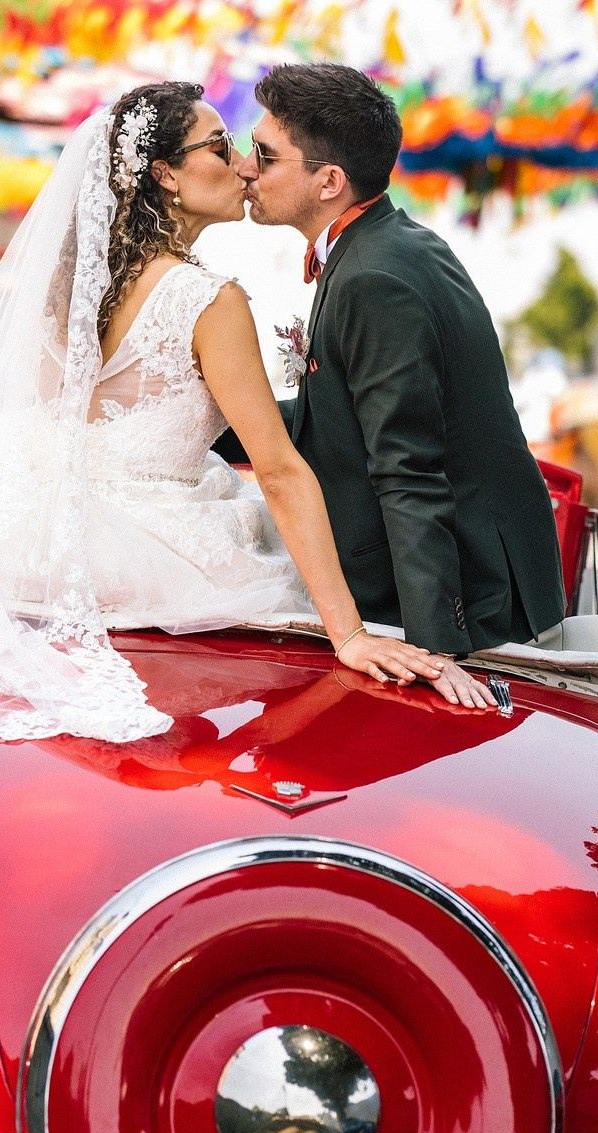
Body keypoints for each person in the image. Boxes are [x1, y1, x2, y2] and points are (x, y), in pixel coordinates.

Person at [0, 82, 473, 794]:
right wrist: (347, 635)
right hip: (152, 537)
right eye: (219, 147)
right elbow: (277, 469)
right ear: (166, 177)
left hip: (25, 499)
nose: (242, 167)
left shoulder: (72, 291)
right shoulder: (209, 301)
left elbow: (72, 422)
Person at [216, 62, 564, 689]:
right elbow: (341, 417)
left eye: (265, 157)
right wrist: (212, 417)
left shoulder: (374, 277)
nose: (244, 167)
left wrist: (437, 655)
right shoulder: (386, 243)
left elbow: (410, 470)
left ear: (329, 181)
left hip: (472, 597)